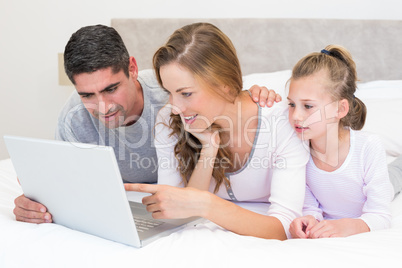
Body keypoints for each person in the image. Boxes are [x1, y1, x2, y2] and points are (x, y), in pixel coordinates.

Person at [13, 24, 279, 224]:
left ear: (132, 68)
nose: (102, 106)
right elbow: (63, 186)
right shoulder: (73, 119)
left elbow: (221, 98)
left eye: (111, 89)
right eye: (87, 95)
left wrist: (248, 95)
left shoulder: (171, 93)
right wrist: (37, 203)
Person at [125, 22, 310, 240]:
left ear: (225, 85)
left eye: (185, 93)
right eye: (169, 92)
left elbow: (283, 228)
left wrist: (206, 205)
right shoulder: (169, 120)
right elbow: (175, 211)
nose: (175, 107)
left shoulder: (281, 123)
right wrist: (209, 149)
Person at [287, 45, 395, 239]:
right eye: (292, 104)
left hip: (385, 179)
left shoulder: (369, 147)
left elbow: (381, 215)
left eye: (308, 106)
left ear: (340, 109)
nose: (296, 115)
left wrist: (347, 226)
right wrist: (310, 219)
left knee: (395, 175)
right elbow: (311, 205)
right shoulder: (297, 150)